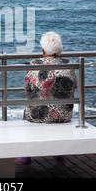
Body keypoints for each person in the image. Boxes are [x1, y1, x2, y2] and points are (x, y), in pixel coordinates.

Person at [16, 31, 76, 164]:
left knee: (30, 108)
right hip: (63, 114)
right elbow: (72, 89)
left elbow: (27, 91)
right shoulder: (69, 63)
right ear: (60, 49)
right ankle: (60, 153)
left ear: (43, 49)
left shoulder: (35, 63)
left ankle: (26, 156)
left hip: (38, 116)